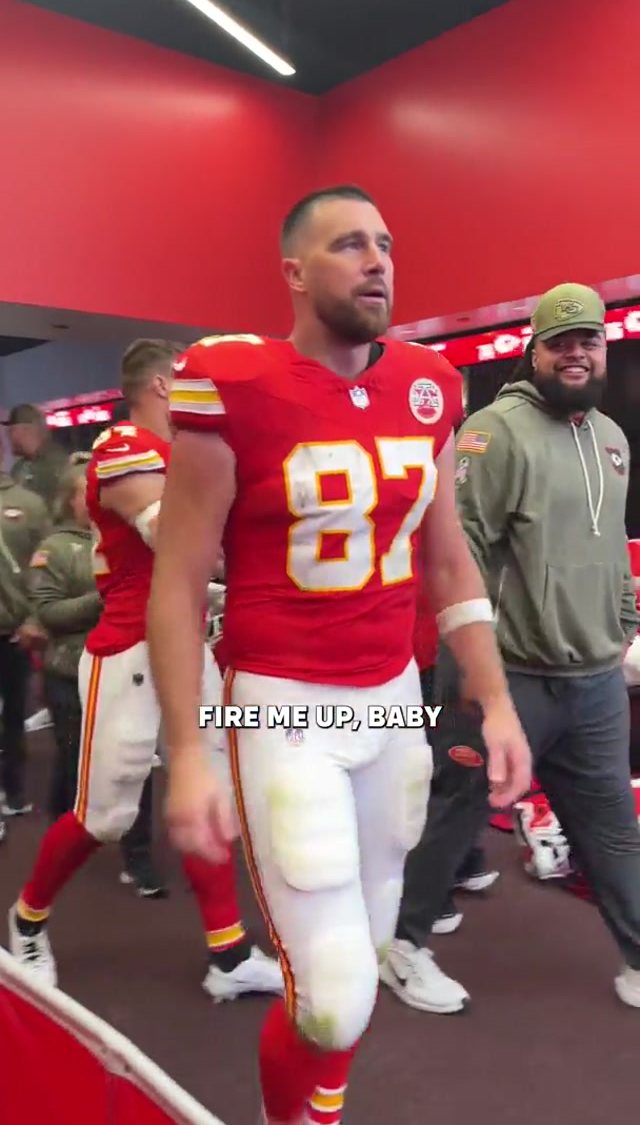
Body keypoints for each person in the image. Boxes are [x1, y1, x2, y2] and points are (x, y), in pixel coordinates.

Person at [146, 185, 531, 1125]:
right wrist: (191, 750)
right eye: (350, 244)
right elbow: (181, 575)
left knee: (358, 952)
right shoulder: (232, 380)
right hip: (281, 704)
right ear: (295, 270)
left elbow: (447, 558)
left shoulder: (425, 381)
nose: (378, 261)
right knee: (332, 992)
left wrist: (496, 697)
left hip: (392, 698)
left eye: (386, 244)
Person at [384, 282, 640, 1014]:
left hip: (592, 680)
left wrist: (622, 617)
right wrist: (471, 672)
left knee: (613, 828)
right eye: (560, 341)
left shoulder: (613, 440)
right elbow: (454, 556)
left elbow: (610, 546)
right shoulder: (493, 435)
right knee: (455, 810)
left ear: (602, 349)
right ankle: (401, 944)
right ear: (534, 350)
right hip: (508, 676)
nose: (576, 352)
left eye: (588, 339)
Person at [8, 339, 282, 1002]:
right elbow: (181, 539)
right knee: (104, 814)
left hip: (188, 642)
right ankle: (25, 921)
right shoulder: (123, 443)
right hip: (131, 648)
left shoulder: (186, 452)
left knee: (210, 800)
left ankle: (229, 952)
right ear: (163, 385)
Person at [28, 454, 165, 896]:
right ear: (75, 500)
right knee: (77, 771)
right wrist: (106, 599)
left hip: (129, 669)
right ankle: (60, 851)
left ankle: (138, 859)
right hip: (70, 671)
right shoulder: (58, 548)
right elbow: (47, 611)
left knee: (134, 765)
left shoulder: (134, 539)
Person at [0, 433, 51, 821]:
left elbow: (44, 569)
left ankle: (12, 791)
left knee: (13, 715)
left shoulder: (28, 504)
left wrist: (34, 618)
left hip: (12, 631)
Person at [6, 403, 68, 513]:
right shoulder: (19, 467)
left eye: (11, 431)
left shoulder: (57, 463)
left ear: (26, 430)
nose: (8, 436)